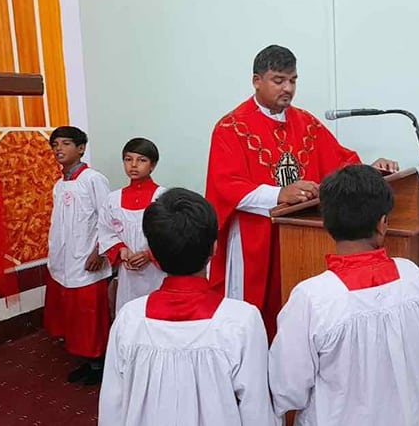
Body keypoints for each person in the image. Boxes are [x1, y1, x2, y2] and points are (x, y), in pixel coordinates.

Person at [205, 44, 398, 338]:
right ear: (257, 80)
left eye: (293, 80)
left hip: (303, 239)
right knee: (253, 321)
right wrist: (279, 194)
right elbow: (225, 185)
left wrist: (372, 170)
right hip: (254, 239)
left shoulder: (305, 122)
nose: (288, 88)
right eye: (279, 80)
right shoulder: (231, 127)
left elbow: (341, 162)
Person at [268, 164, 419, 426]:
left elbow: (286, 388)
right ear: (383, 223)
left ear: (326, 223)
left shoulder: (312, 298)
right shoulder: (414, 278)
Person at [98, 188, 277, 426]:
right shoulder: (241, 320)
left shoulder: (129, 317)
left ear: (155, 256)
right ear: (214, 248)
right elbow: (256, 409)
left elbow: (112, 404)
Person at [45, 126, 112, 386]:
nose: (58, 149)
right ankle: (87, 360)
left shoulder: (93, 179)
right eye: (55, 145)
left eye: (65, 143)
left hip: (88, 259)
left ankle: (100, 363)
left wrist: (98, 250)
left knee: (91, 315)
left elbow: (107, 218)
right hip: (65, 260)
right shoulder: (59, 185)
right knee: (74, 315)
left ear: (81, 148)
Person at [98, 138, 167, 313]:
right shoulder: (113, 199)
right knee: (129, 312)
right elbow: (105, 230)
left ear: (153, 165)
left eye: (141, 160)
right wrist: (121, 250)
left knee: (155, 311)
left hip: (157, 271)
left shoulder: (162, 197)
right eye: (128, 159)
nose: (134, 165)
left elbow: (173, 234)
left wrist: (149, 254)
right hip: (128, 272)